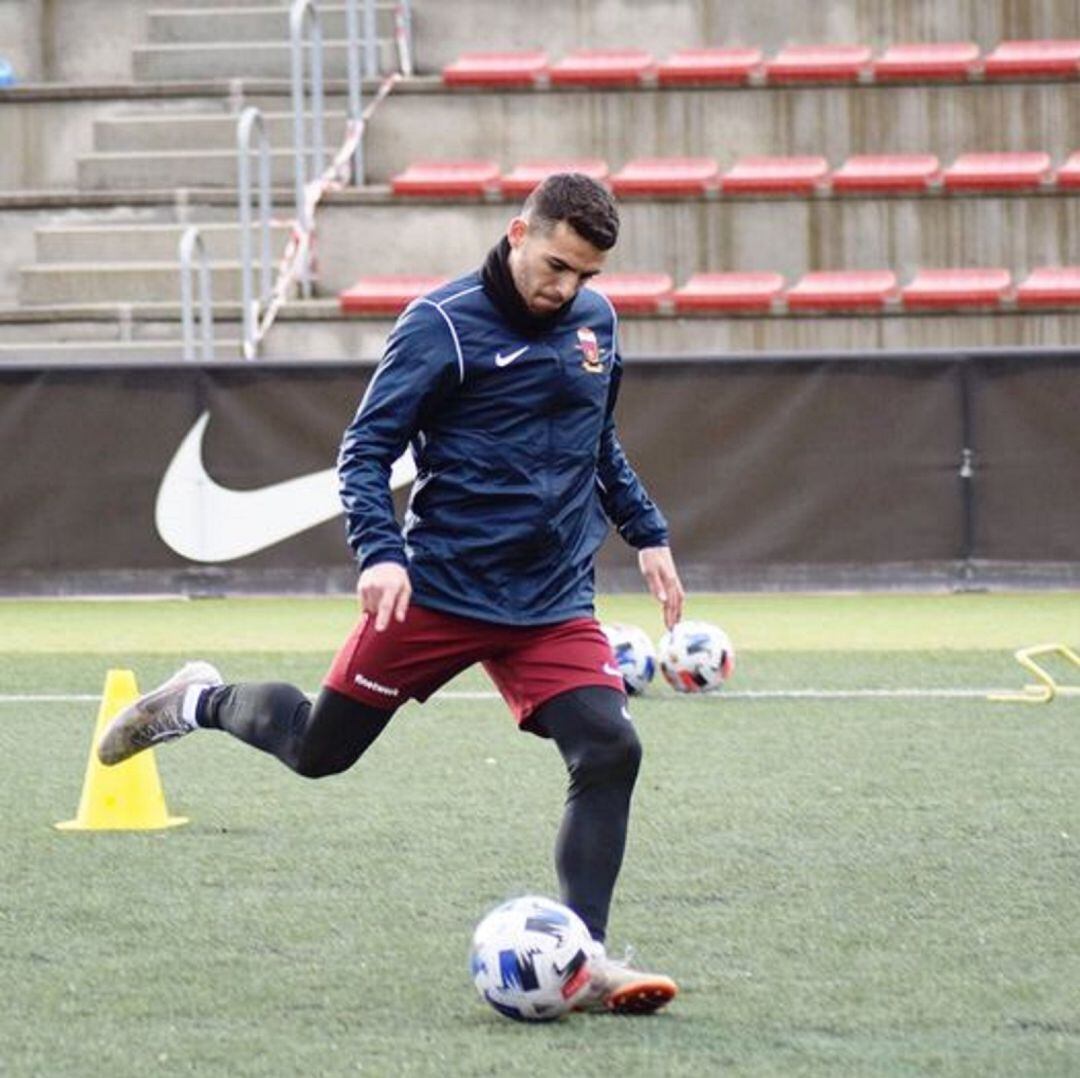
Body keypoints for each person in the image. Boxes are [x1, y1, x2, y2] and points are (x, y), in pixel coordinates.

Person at [99, 173, 686, 1015]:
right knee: (316, 751)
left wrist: (648, 531)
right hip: (440, 589)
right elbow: (364, 451)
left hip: (551, 596)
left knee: (609, 751)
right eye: (556, 266)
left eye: (586, 276)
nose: (568, 289)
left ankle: (582, 960)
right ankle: (200, 699)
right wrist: (380, 554)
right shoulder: (440, 325)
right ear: (520, 232)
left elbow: (599, 440)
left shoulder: (594, 323)